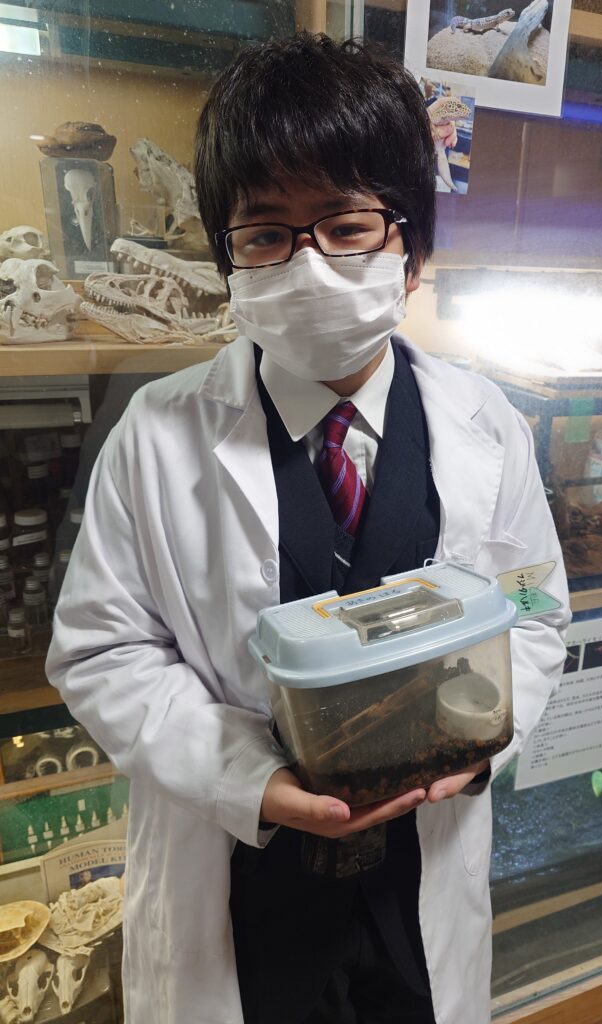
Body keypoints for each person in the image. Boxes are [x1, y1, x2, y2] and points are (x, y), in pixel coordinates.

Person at [46, 32, 570, 1024]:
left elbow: (535, 612)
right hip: (241, 882)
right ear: (229, 262)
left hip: (420, 871)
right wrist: (251, 777)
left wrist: (480, 742)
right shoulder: (155, 435)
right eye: (267, 235)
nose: (310, 263)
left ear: (411, 248)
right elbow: (102, 652)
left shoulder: (486, 424)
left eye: (347, 224)